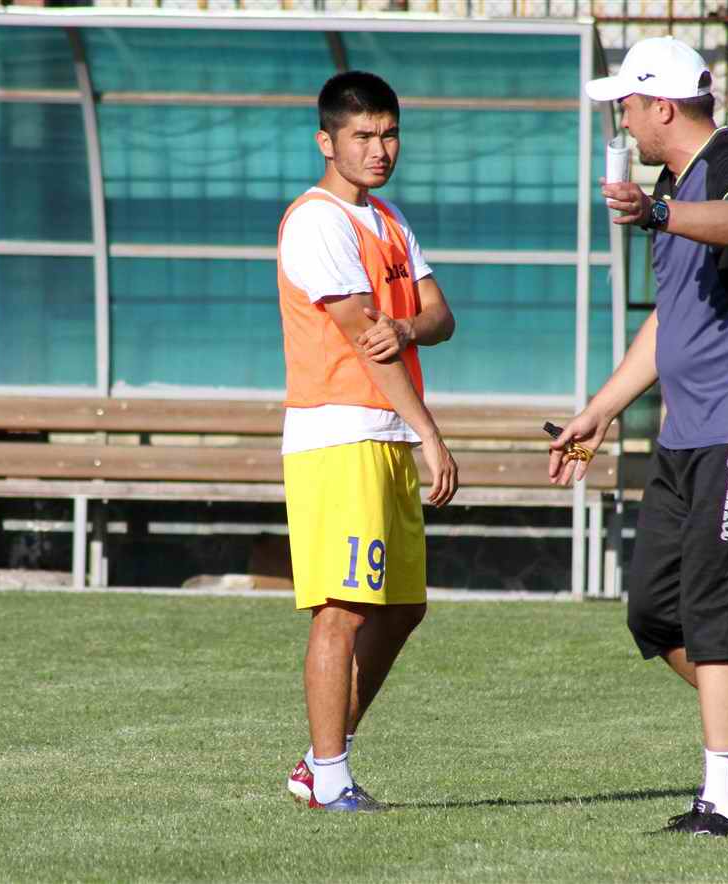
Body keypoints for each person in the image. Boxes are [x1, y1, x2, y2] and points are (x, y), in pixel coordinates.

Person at [556, 36, 728, 836]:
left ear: (662, 107)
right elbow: (670, 323)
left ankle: (720, 801)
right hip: (688, 435)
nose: (622, 121)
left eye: (627, 107)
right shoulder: (671, 185)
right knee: (655, 613)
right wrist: (601, 408)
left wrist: (661, 213)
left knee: (715, 611)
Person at [276, 70, 460, 812]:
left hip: (383, 434)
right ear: (326, 142)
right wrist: (430, 434)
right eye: (362, 135)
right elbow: (365, 341)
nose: (379, 149)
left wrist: (409, 325)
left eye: (388, 134)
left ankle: (319, 762)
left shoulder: (387, 218)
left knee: (402, 606)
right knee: (342, 609)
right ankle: (329, 777)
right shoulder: (317, 221)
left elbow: (439, 316)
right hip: (338, 435)